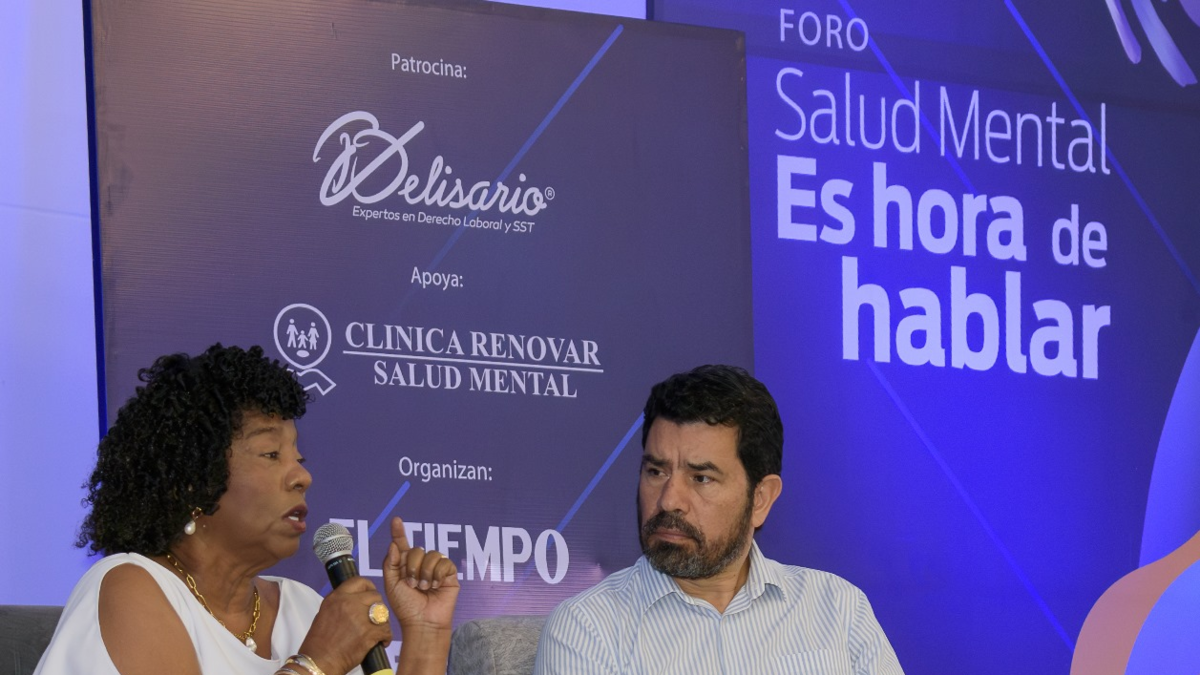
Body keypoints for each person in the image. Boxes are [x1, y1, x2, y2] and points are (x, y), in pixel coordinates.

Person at [35, 344, 458, 675]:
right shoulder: (131, 587)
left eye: (299, 458)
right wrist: (318, 662)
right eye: (271, 454)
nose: (302, 477)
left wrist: (426, 633)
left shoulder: (303, 608)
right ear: (194, 478)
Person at [534, 365, 903, 675]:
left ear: (761, 498)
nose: (669, 500)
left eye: (701, 478)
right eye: (656, 471)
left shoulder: (838, 608)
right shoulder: (586, 629)